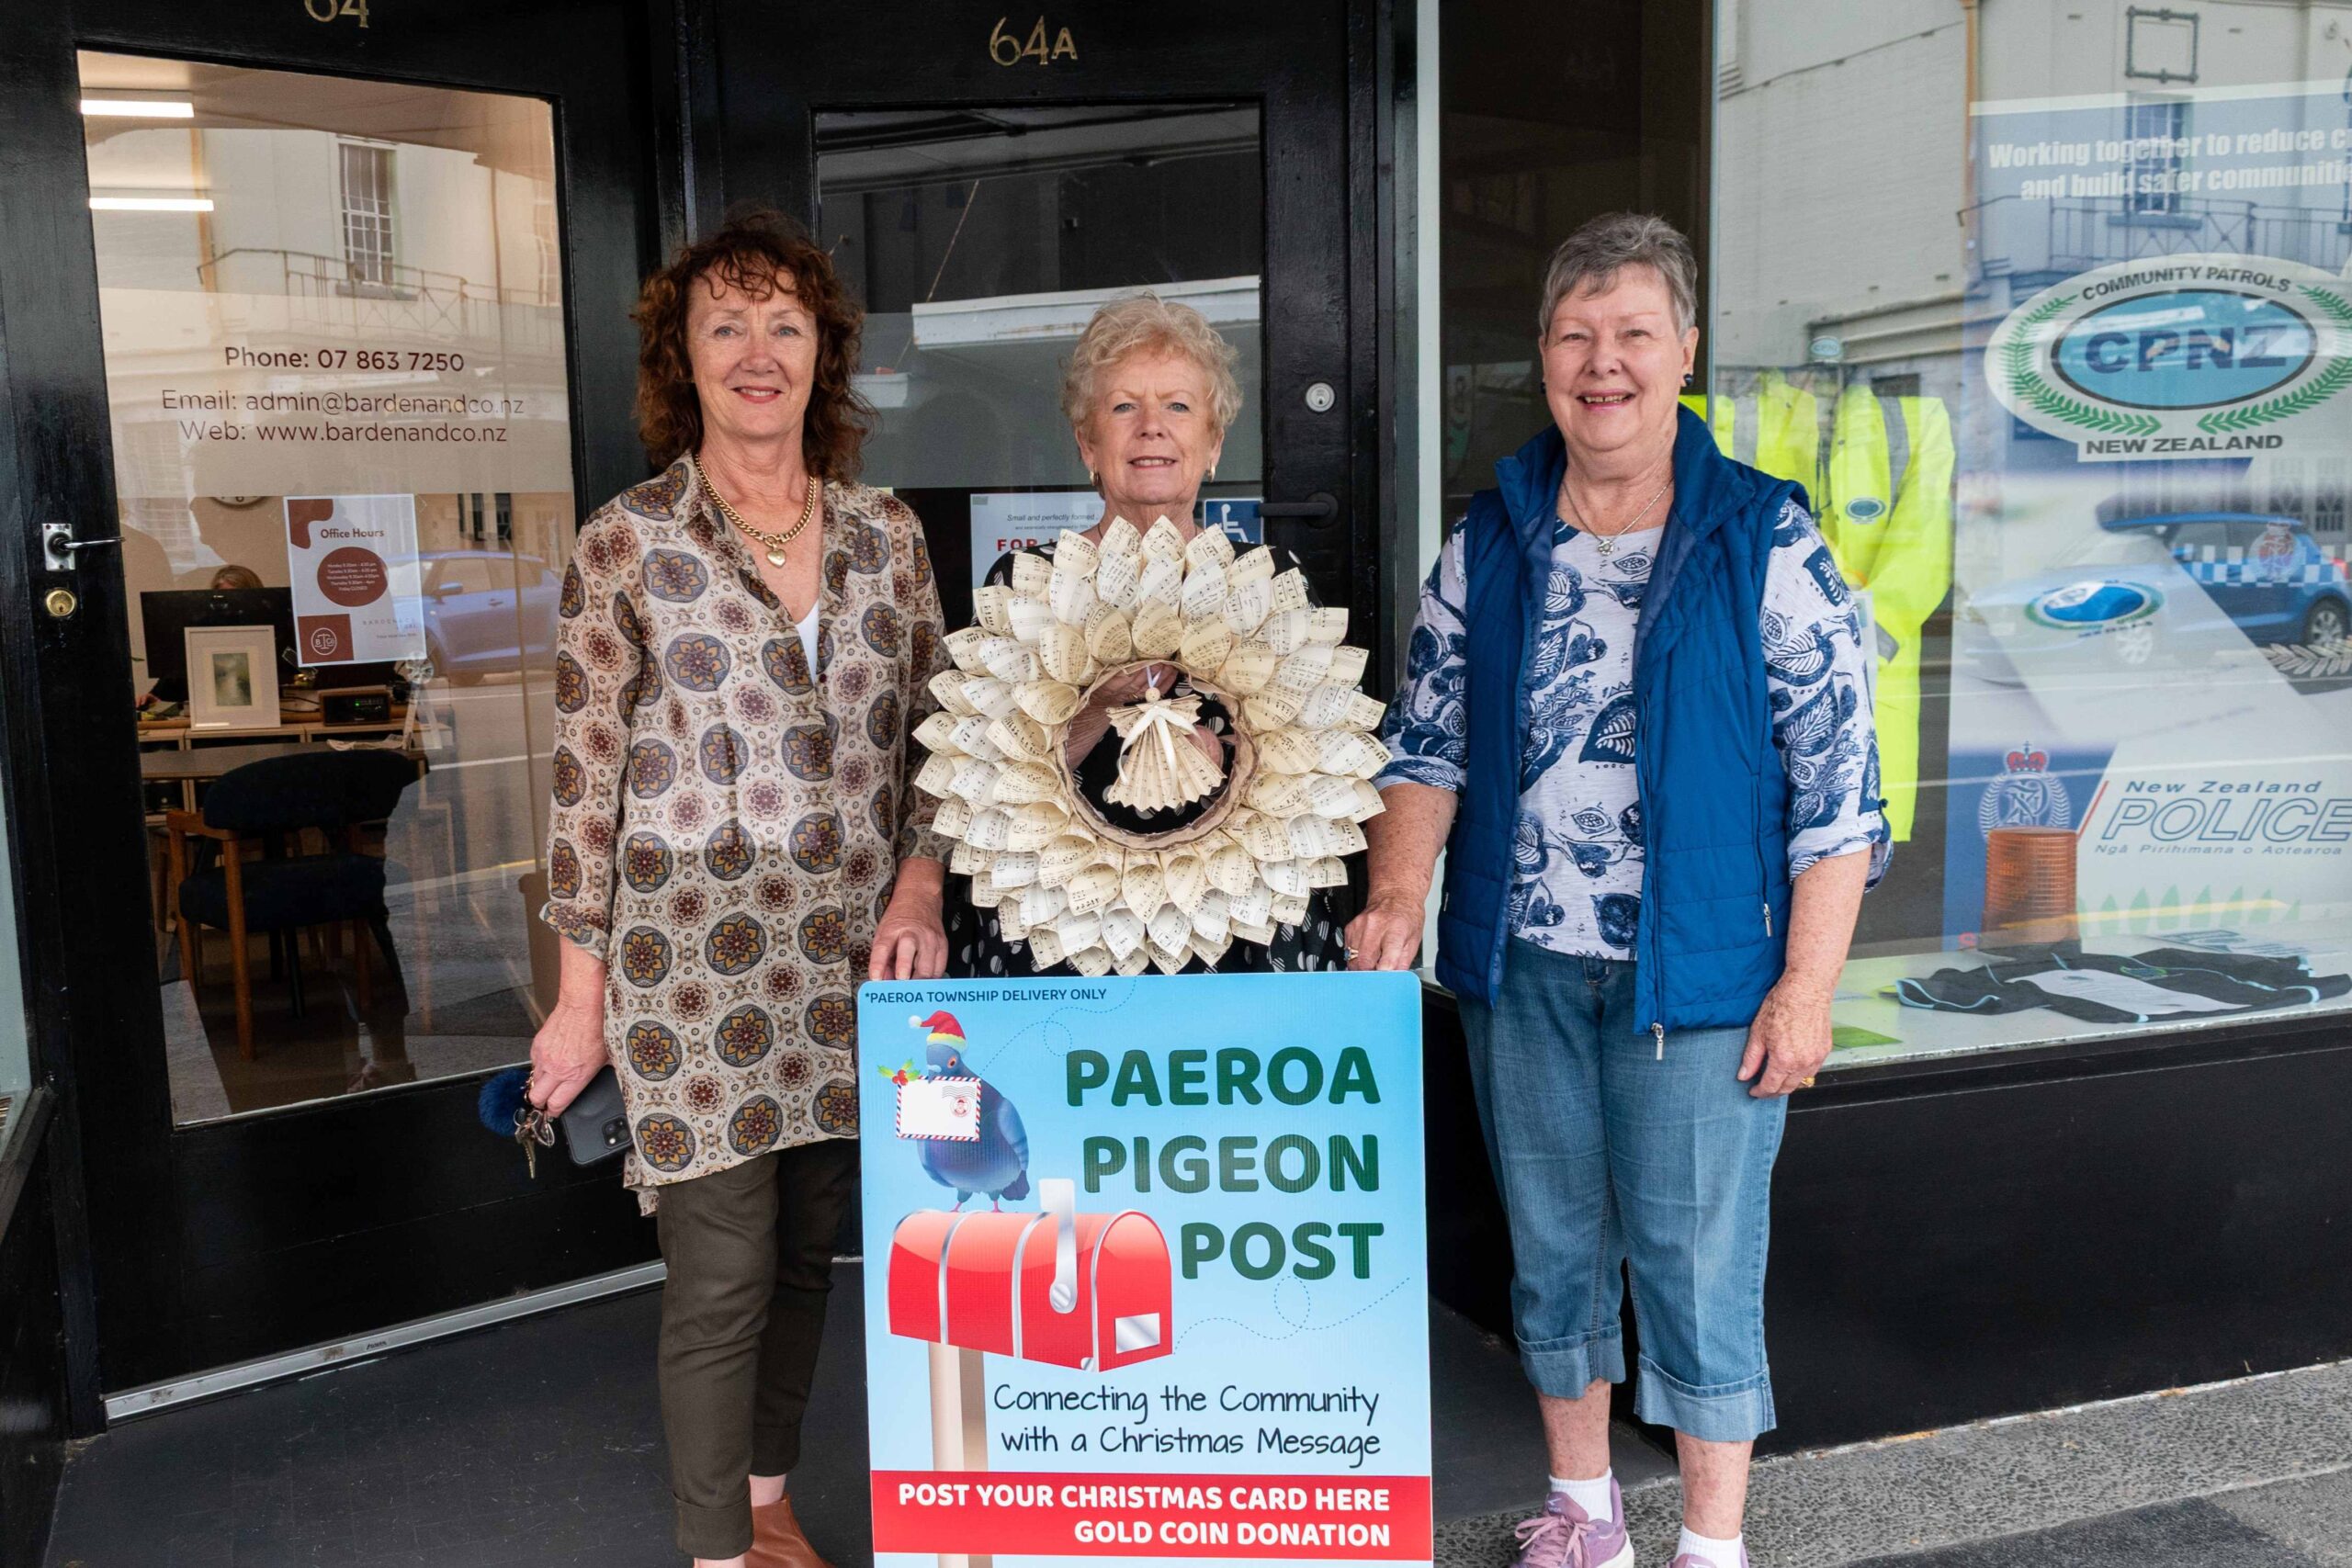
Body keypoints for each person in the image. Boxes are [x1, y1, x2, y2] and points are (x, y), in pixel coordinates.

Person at [1348, 212, 1887, 1568]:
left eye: (1634, 334)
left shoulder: (1766, 537)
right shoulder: (1494, 536)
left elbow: (1841, 795)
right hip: (1520, 966)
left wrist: (1808, 986)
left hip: (1702, 979)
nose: (1606, 364)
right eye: (1578, 336)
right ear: (1542, 359)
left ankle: (1712, 1540)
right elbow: (1425, 742)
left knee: (1698, 1262)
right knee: (1554, 1246)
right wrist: (1398, 894)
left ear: (1684, 352)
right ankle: (1584, 1513)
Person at [529, 211, 952, 1568]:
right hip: (691, 976)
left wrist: (923, 883)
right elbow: (583, 782)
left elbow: (944, 740)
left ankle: (769, 1500)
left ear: (823, 351)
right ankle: (717, 1549)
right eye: (727, 324)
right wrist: (575, 1000)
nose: (758, 351)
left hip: (852, 961)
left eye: (785, 323)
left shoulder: (889, 536)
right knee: (718, 1276)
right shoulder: (627, 541)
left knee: (807, 1251)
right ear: (684, 359)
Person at [944, 291, 1349, 977]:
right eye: (1124, 406)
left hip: (1236, 930)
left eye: (1179, 406)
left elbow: (1317, 770)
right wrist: (1097, 710)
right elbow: (982, 775)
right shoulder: (1026, 584)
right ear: (1088, 443)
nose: (1152, 427)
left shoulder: (1269, 584)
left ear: (1214, 443)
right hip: (1061, 930)